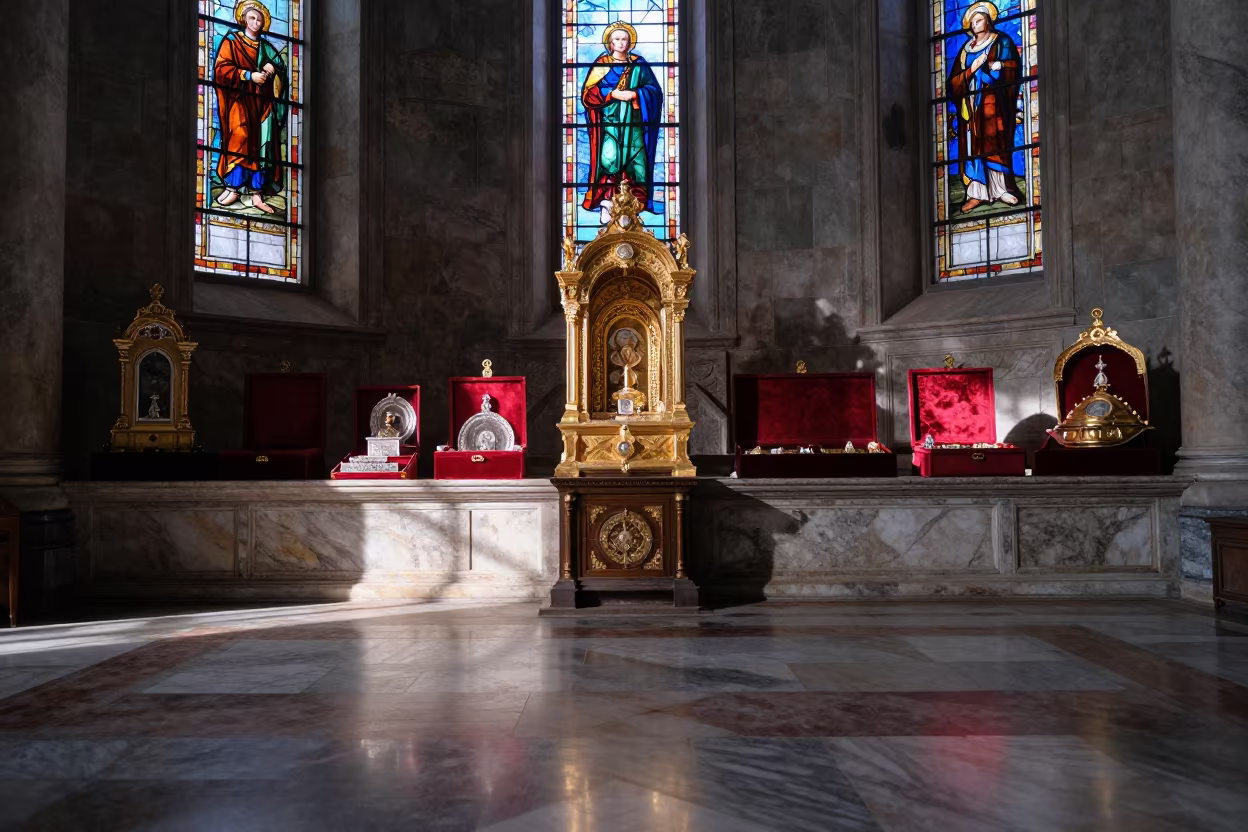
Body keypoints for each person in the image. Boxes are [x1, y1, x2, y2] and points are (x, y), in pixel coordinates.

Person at [580, 21, 663, 225]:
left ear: (630, 42)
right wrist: (611, 94)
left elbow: (655, 93)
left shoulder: (639, 64)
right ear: (610, 42)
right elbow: (588, 95)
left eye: (624, 39)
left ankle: (635, 206)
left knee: (637, 162)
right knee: (609, 158)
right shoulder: (601, 64)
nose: (621, 42)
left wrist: (635, 94)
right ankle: (608, 202)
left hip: (634, 124)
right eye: (616, 39)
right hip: (609, 123)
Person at [213, 0, 288, 215]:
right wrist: (248, 75)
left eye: (260, 19)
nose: (256, 22)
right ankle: (233, 188)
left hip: (263, 105)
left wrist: (272, 68)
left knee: (262, 146)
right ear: (244, 19)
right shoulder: (232, 42)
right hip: (238, 102)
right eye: (252, 18)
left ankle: (257, 195)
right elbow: (221, 69)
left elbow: (280, 70)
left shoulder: (267, 48)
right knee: (240, 139)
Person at [948, 2, 1021, 213]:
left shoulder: (1001, 42)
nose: (974, 25)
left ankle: (1000, 189)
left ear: (988, 21)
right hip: (970, 108)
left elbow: (1012, 69)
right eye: (972, 22)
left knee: (994, 142)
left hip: (993, 104)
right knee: (972, 147)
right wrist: (972, 69)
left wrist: (994, 66)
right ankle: (975, 192)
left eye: (978, 20)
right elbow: (954, 83)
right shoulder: (965, 51)